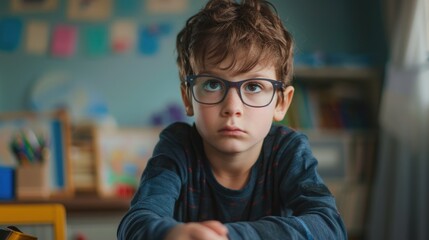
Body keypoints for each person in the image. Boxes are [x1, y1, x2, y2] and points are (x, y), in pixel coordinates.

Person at [117, 0, 347, 239]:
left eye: (254, 86)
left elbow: (329, 227)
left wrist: (230, 236)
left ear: (281, 103)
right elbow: (135, 224)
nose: (232, 108)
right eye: (213, 84)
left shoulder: (287, 151)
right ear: (188, 98)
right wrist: (169, 234)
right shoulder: (178, 148)